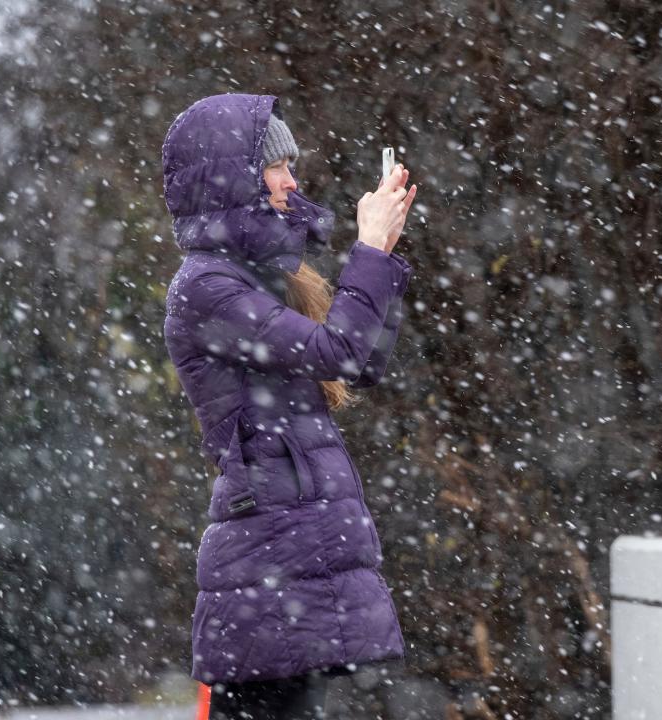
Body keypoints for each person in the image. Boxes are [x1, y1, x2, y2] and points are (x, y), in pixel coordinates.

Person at [160, 93, 418, 719]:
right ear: (232, 176)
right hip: (267, 561)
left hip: (290, 555)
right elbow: (337, 350)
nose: (292, 180)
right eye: (277, 165)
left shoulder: (261, 278)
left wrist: (383, 259)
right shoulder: (208, 287)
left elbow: (364, 362)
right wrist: (370, 254)